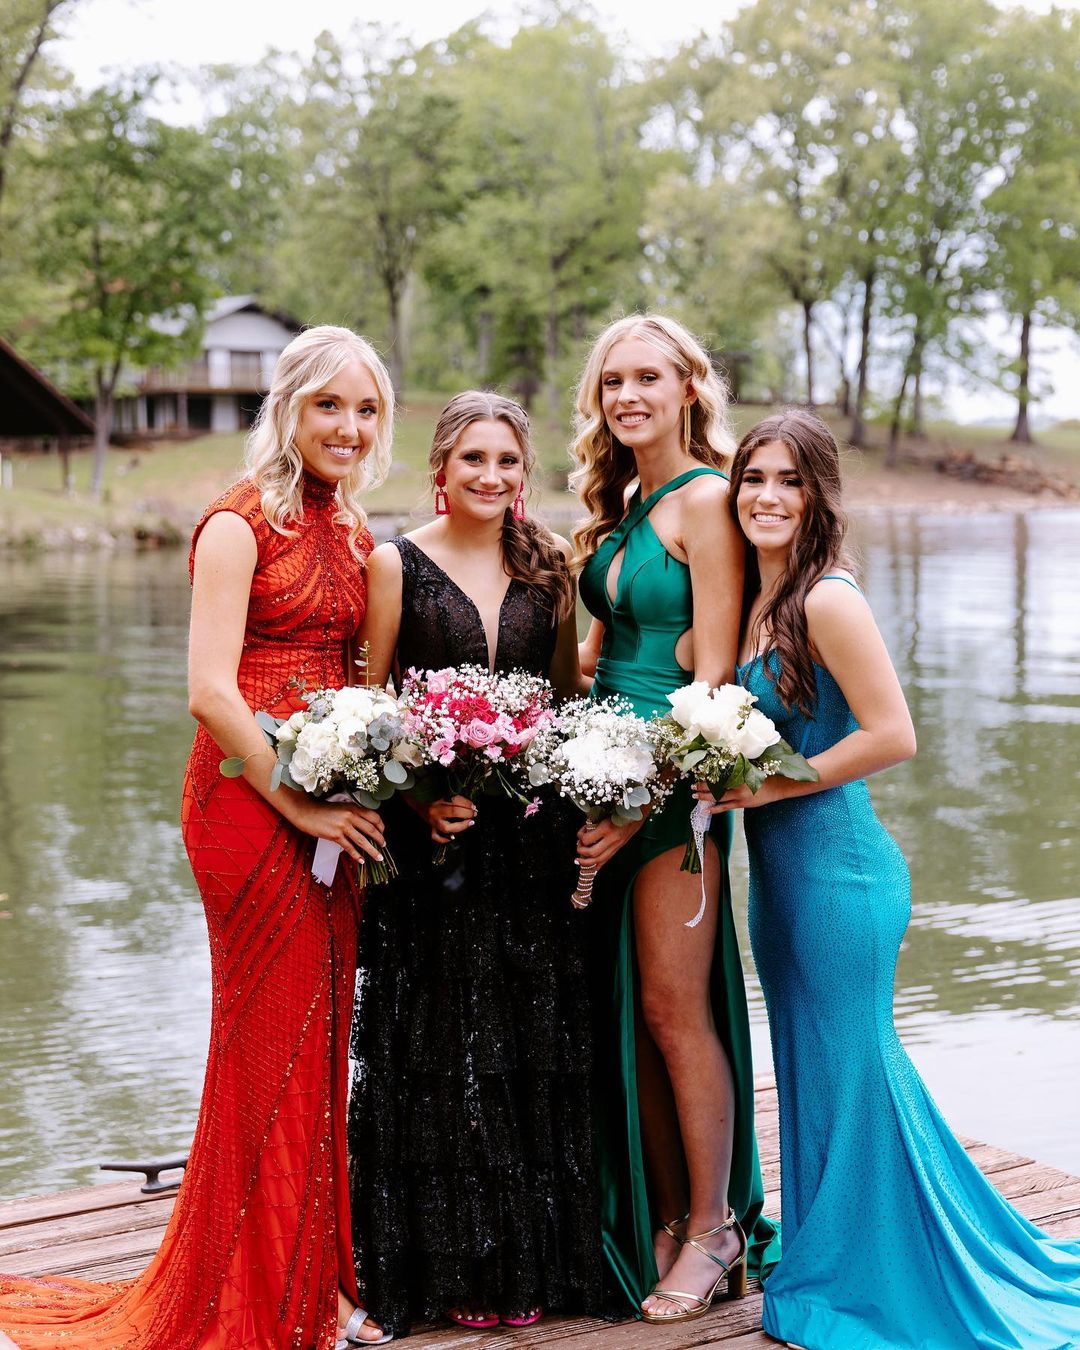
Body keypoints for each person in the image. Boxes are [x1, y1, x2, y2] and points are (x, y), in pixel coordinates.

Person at [0, 325, 394, 1350]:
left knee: (318, 1042)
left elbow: (360, 670)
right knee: (267, 1044)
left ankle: (314, 1281)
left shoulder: (352, 529)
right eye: (330, 406)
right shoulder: (236, 523)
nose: (349, 428)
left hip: (331, 804)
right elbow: (210, 692)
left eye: (366, 410)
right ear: (288, 407)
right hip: (248, 807)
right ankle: (255, 1295)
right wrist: (298, 802)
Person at [705, 407, 1080, 1349]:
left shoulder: (827, 598)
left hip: (842, 875)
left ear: (819, 495)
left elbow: (894, 734)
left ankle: (870, 1275)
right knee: (816, 1067)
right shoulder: (752, 597)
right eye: (754, 478)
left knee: (853, 1067)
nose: (766, 497)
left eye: (789, 481)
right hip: (780, 882)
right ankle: (838, 1250)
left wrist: (770, 783)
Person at [347, 391, 605, 1335]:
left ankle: (531, 1261)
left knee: (527, 1044)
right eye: (473, 460)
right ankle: (449, 1263)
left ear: (524, 472)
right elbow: (370, 706)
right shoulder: (394, 563)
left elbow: (566, 691)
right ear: (440, 468)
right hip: (438, 844)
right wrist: (418, 800)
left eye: (507, 461)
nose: (490, 477)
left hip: (533, 842)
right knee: (443, 1046)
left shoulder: (551, 563)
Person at [571, 314, 780, 1324]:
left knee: (672, 1008)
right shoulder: (624, 503)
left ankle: (713, 1228)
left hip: (676, 789)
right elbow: (600, 653)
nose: (628, 396)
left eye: (648, 377)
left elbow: (716, 676)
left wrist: (642, 799)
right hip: (600, 775)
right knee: (630, 1010)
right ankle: (661, 1217)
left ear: (689, 387)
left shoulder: (706, 501)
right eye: (613, 381)